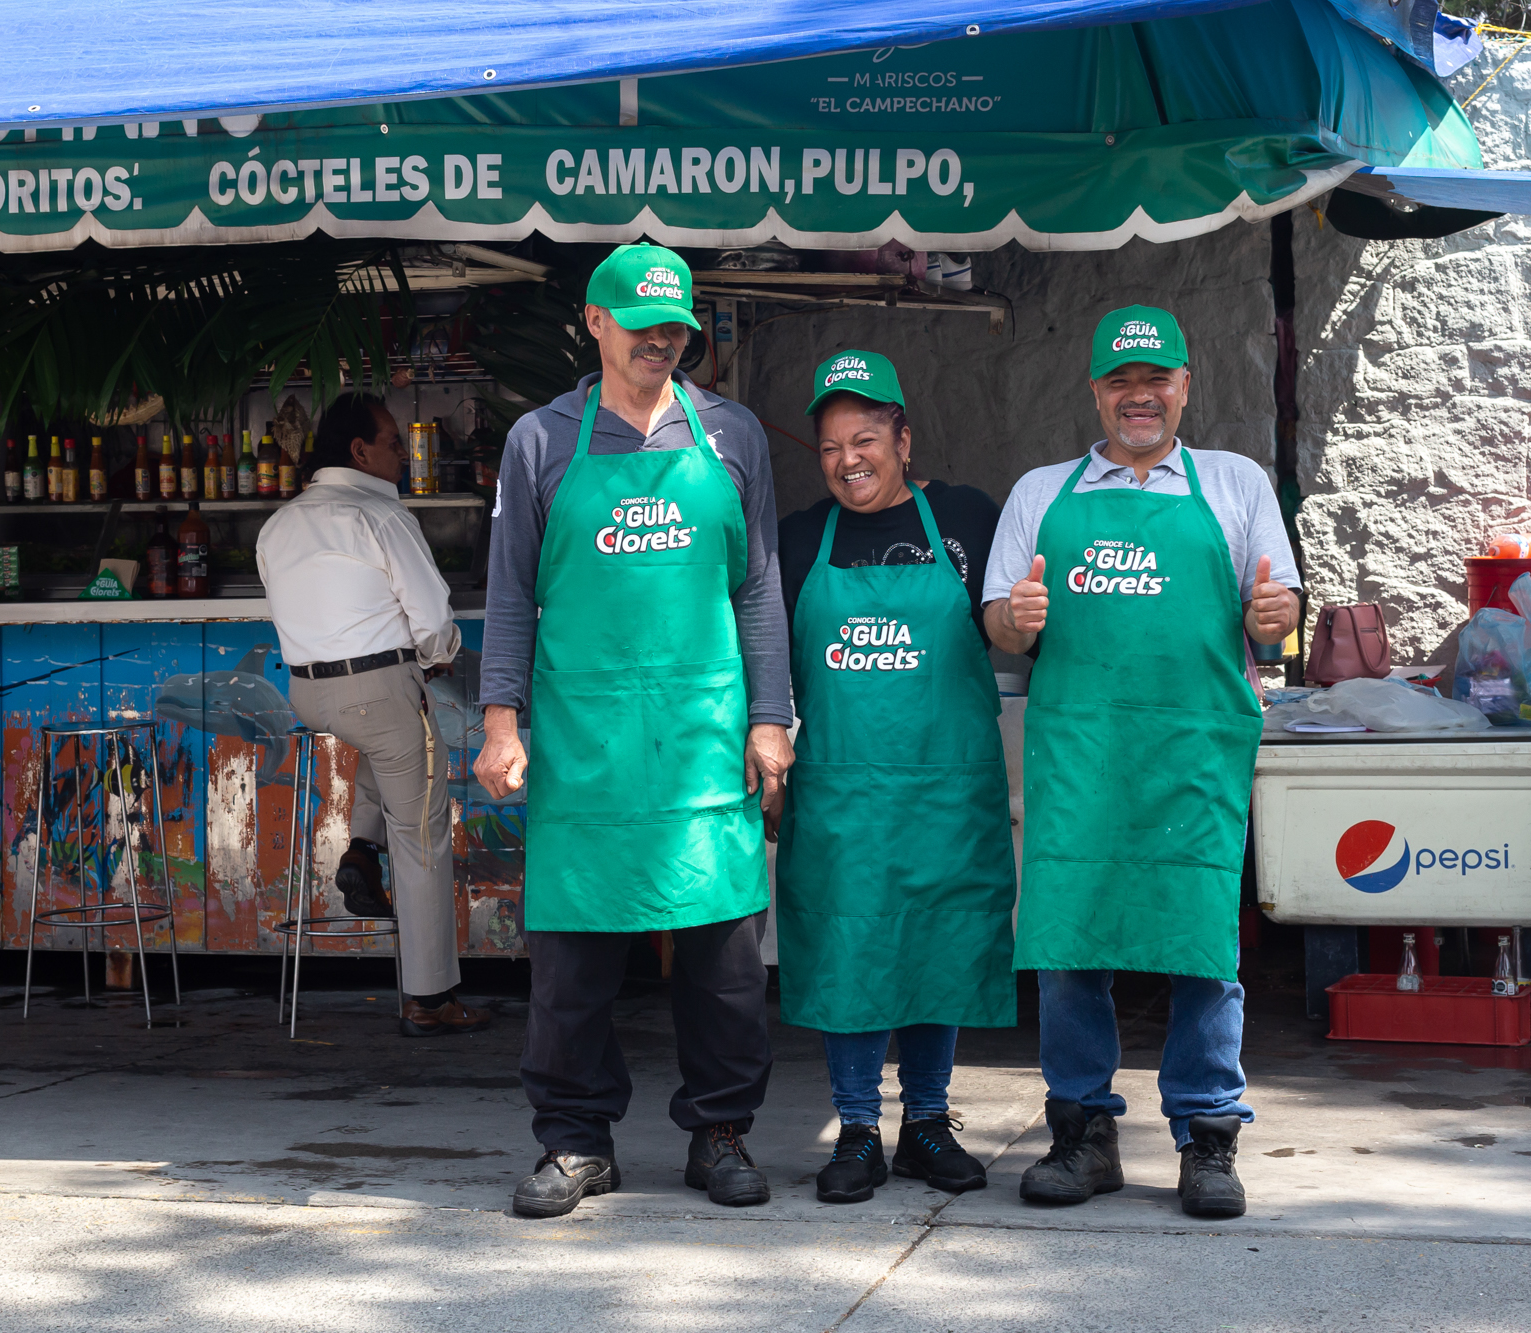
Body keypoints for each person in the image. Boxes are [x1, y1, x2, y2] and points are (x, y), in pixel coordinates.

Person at [473, 244, 793, 1220]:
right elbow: (510, 592)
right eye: (643, 324)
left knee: (723, 960)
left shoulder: (731, 434)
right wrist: (500, 723)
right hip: (586, 741)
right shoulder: (540, 440)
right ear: (596, 322)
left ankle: (720, 1130)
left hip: (705, 738)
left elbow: (758, 588)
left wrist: (770, 717)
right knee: (571, 965)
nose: (662, 340)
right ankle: (574, 1140)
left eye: (675, 327)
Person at [982, 306, 1300, 1218]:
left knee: (1202, 944)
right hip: (1081, 755)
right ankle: (1082, 1131)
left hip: (1191, 755)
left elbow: (1275, 616)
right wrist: (1015, 620)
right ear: (1095, 392)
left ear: (1184, 387)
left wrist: (1274, 618)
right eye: (1120, 381)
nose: (1139, 397)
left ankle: (1208, 1135)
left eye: (1155, 379)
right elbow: (1001, 622)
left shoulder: (1235, 484)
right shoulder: (1041, 492)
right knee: (1069, 940)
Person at [774, 350, 1015, 1205]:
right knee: (849, 949)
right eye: (831, 446)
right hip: (843, 795)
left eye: (865, 439)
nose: (849, 460)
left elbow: (1016, 625)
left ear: (903, 439)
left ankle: (927, 1124)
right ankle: (856, 1128)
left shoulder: (968, 519)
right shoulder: (799, 539)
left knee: (938, 943)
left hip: (946, 791)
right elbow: (761, 657)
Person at [256, 392, 488, 1039]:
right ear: (360, 451)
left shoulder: (279, 524)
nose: (402, 455)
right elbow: (433, 619)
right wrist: (436, 658)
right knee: (422, 834)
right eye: (393, 442)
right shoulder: (381, 516)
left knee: (389, 739)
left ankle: (361, 849)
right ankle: (430, 999)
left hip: (309, 694)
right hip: (378, 692)